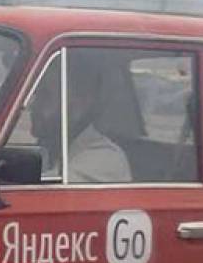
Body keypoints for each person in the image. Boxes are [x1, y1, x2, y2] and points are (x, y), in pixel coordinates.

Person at [27, 56, 131, 184]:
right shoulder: (53, 147)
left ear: (79, 104)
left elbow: (43, 192)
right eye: (36, 95)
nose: (33, 105)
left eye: (45, 96)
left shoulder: (106, 159)